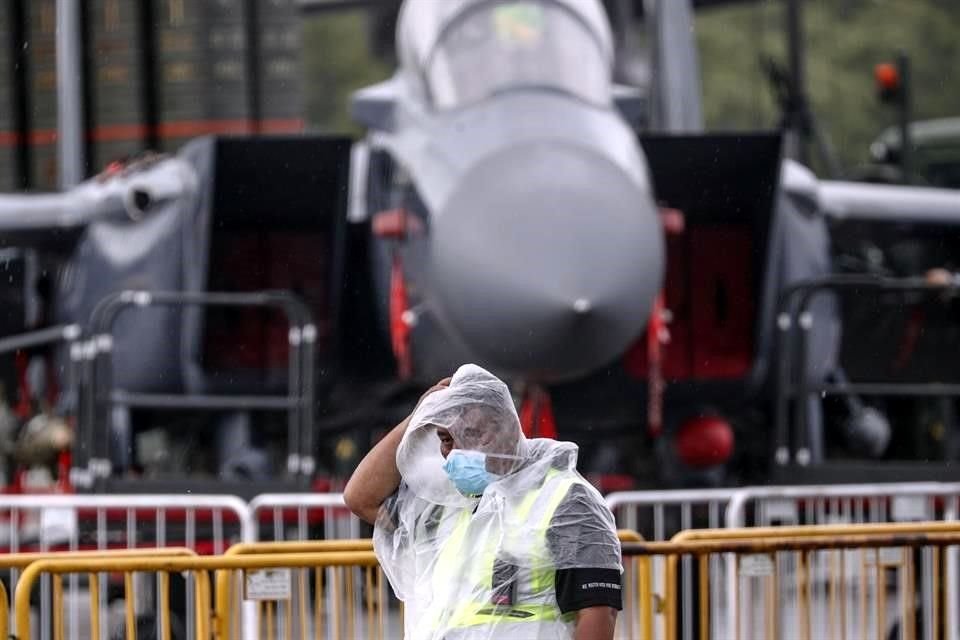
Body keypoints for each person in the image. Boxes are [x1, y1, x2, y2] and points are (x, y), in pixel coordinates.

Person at [344, 364, 622, 640]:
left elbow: (597, 612)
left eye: (472, 433)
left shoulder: (567, 500)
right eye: (445, 439)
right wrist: (418, 416)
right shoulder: (444, 504)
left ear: (507, 428)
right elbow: (360, 498)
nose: (455, 449)